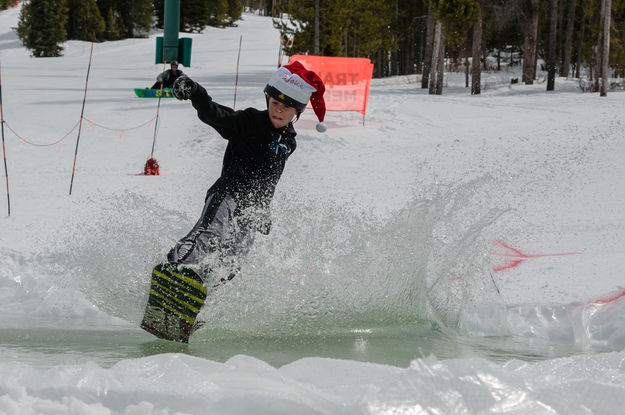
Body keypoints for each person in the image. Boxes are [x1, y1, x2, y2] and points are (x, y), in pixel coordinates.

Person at [166, 61, 327, 284]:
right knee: (210, 234)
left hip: (251, 208)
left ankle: (200, 295)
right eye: (275, 102)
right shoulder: (250, 121)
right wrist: (196, 93)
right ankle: (175, 270)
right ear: (268, 100)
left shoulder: (288, 143)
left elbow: (270, 180)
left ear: (297, 112)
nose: (278, 110)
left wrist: (263, 209)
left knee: (233, 260)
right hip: (228, 194)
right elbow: (217, 115)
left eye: (287, 107)